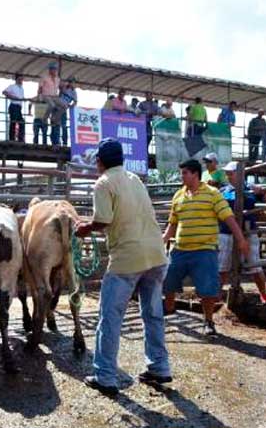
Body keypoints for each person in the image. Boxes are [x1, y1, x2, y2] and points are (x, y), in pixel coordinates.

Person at [76, 139, 171, 396]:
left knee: (110, 317)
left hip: (127, 260)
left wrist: (85, 228)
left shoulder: (104, 182)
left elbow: (103, 220)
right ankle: (160, 367)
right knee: (153, 315)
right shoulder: (134, 179)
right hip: (156, 256)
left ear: (100, 161)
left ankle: (105, 376)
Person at [163, 159, 249, 336]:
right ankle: (169, 308)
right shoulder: (178, 195)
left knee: (207, 289)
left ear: (195, 174)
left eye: (185, 173)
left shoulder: (212, 193)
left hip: (204, 249)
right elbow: (172, 223)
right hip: (180, 249)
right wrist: (162, 240)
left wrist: (241, 239)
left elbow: (228, 218)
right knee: (167, 280)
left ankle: (208, 321)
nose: (182, 176)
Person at [218, 161, 266, 304]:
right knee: (222, 267)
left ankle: (264, 295)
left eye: (231, 173)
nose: (228, 176)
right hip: (226, 232)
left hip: (248, 232)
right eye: (227, 173)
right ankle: (217, 295)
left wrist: (262, 191)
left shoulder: (250, 188)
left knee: (255, 265)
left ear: (240, 174)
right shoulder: (223, 191)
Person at [36, 61, 65, 141]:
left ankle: (55, 118)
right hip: (46, 95)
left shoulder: (57, 79)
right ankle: (45, 119)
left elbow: (61, 88)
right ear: (50, 70)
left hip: (55, 96)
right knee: (52, 105)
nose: (55, 71)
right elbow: (40, 88)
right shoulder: (44, 77)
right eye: (53, 69)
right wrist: (39, 97)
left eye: (56, 69)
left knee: (64, 105)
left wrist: (61, 90)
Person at [3, 73, 26, 142]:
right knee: (13, 122)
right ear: (16, 79)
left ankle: (20, 138)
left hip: (19, 107)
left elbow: (21, 97)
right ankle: (12, 139)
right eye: (20, 79)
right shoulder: (12, 86)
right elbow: (4, 92)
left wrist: (24, 99)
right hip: (13, 105)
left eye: (22, 79)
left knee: (21, 122)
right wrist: (12, 97)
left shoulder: (22, 88)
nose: (21, 81)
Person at [58, 77, 78, 145]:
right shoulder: (64, 87)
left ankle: (64, 142)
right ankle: (56, 141)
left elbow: (75, 102)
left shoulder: (74, 92)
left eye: (73, 82)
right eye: (70, 82)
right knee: (56, 125)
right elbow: (59, 86)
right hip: (57, 108)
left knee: (63, 126)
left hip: (63, 110)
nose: (72, 83)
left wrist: (70, 106)